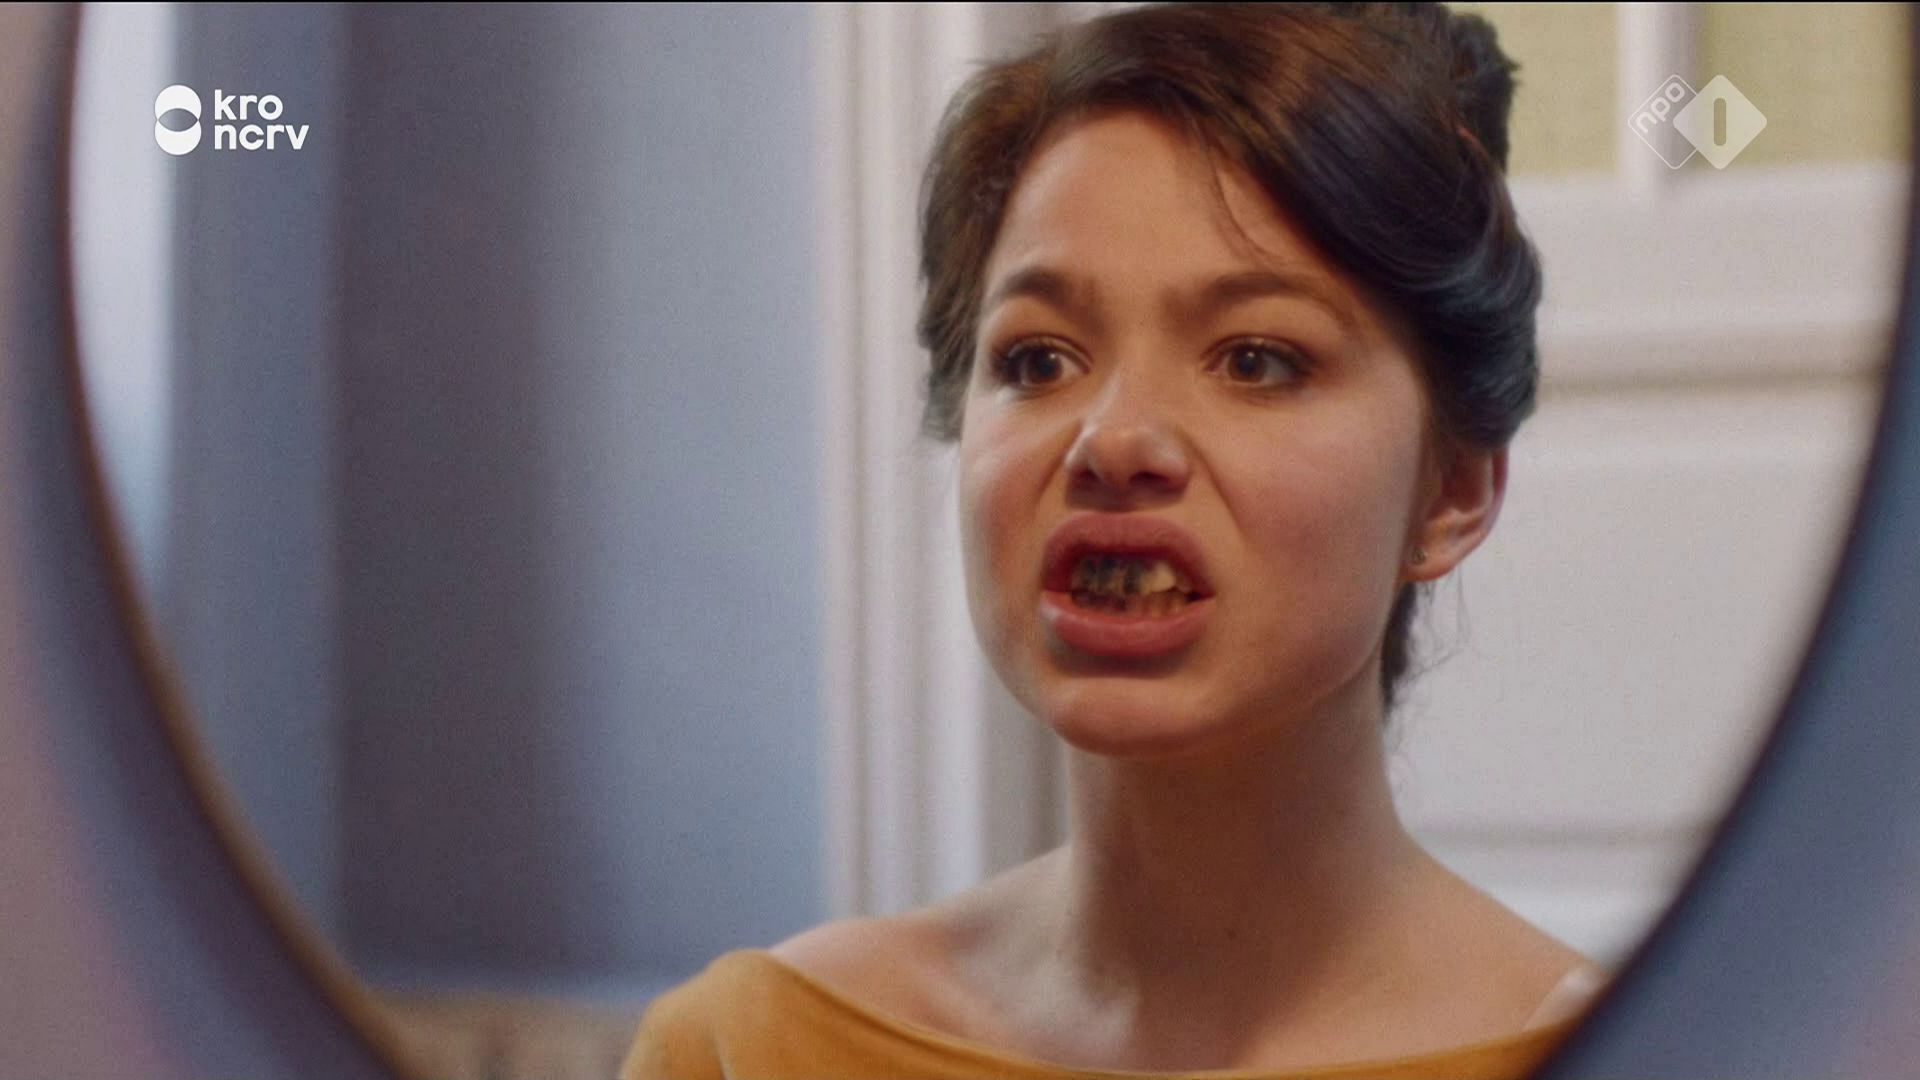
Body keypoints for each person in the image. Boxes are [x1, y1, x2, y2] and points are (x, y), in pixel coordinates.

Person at [622, 4, 1607, 1077]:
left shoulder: (1644, 1046)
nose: (1114, 440)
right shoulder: (754, 1049)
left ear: (1451, 491)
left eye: (1256, 359)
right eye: (1038, 360)